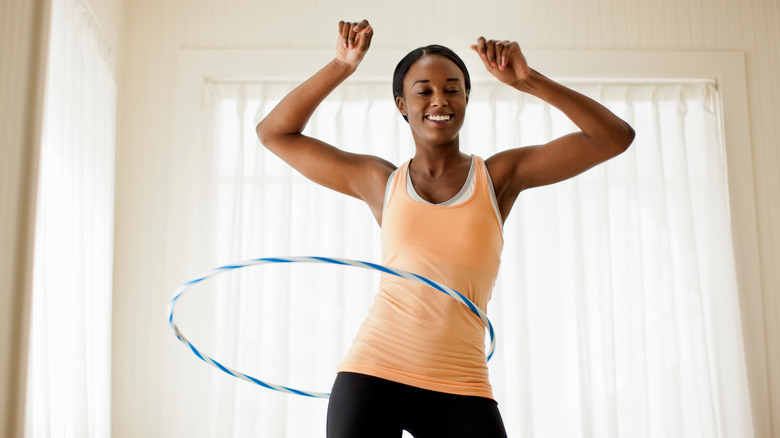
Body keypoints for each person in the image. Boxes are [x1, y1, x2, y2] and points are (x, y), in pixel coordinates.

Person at [256, 19, 634, 438]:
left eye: (453, 89)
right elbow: (274, 133)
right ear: (402, 103)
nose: (440, 100)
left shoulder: (498, 177)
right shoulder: (379, 181)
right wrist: (342, 65)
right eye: (424, 90)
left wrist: (529, 80)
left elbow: (613, 137)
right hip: (373, 373)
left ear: (468, 98)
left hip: (461, 384)